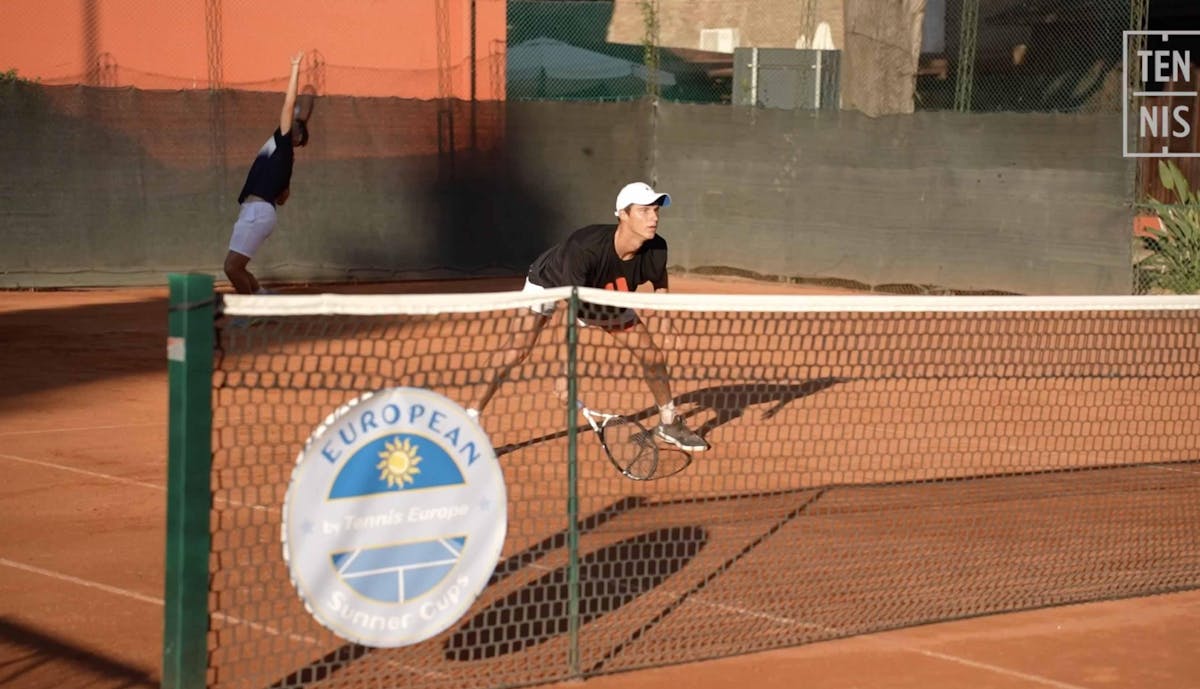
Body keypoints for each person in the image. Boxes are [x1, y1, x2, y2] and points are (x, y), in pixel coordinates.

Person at [468, 181, 709, 452]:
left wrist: (665, 324)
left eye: (656, 210)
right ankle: (471, 418)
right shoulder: (585, 248)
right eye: (644, 211)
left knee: (651, 355)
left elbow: (659, 281)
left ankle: (668, 423)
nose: (653, 218)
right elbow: (570, 310)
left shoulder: (656, 247)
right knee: (517, 349)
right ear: (623, 215)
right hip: (550, 282)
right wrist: (564, 372)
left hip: (606, 295)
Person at [223, 51, 309, 295]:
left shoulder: (282, 145)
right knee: (239, 268)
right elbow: (282, 198)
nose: (290, 122)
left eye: (295, 126)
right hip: (254, 211)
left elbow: (289, 103)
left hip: (258, 212)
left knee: (232, 268)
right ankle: (263, 299)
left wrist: (295, 67)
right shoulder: (281, 156)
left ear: (296, 138)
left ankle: (251, 312)